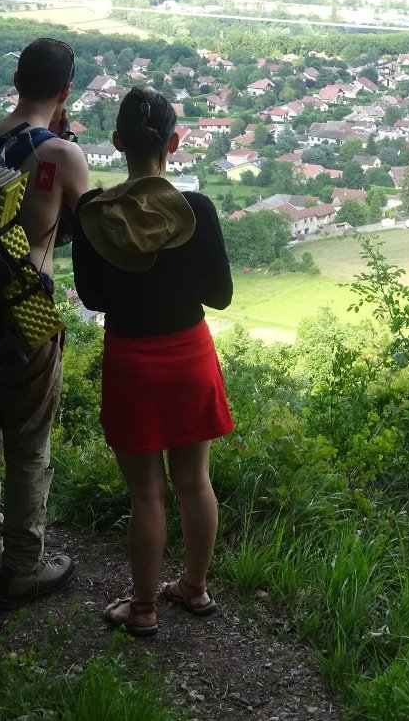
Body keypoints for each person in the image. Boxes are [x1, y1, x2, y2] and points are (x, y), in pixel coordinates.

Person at [72, 87, 234, 636]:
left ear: (117, 142)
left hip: (131, 362)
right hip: (189, 355)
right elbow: (221, 295)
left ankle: (143, 608)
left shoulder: (93, 213)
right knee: (195, 481)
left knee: (145, 492)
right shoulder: (197, 208)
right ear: (176, 141)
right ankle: (194, 587)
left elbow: (92, 299)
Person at [0, 37, 91, 610]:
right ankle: (23, 568)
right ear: (65, 90)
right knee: (28, 445)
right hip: (24, 315)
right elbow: (87, 229)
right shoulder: (60, 154)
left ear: (15, 79)